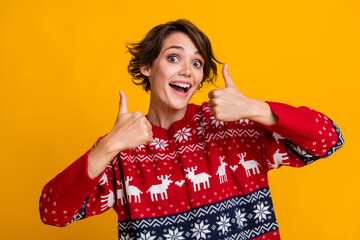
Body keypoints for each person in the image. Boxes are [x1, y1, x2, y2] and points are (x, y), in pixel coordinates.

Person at [39, 19, 344, 240]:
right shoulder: (121, 150)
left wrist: (254, 108)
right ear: (147, 66)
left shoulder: (236, 128)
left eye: (197, 63)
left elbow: (329, 139)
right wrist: (107, 147)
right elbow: (53, 213)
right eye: (173, 58)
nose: (187, 70)